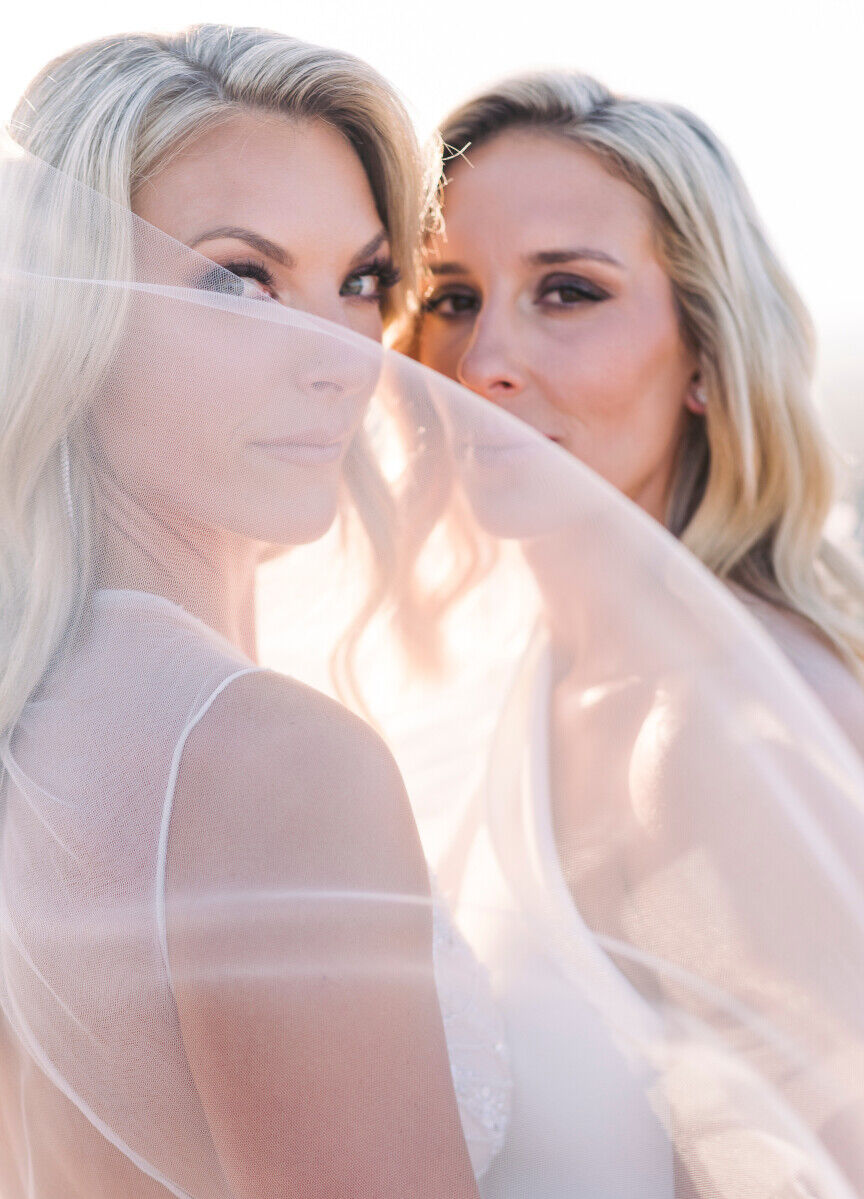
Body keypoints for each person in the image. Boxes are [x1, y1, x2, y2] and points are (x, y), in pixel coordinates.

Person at [0, 26, 510, 1197]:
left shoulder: (38, 711)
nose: (342, 354)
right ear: (70, 310)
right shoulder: (272, 761)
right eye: (239, 279)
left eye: (364, 281)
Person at [407, 70, 864, 1196]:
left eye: (566, 291)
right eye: (451, 296)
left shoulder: (718, 737)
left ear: (705, 353)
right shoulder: (532, 666)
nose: (482, 363)